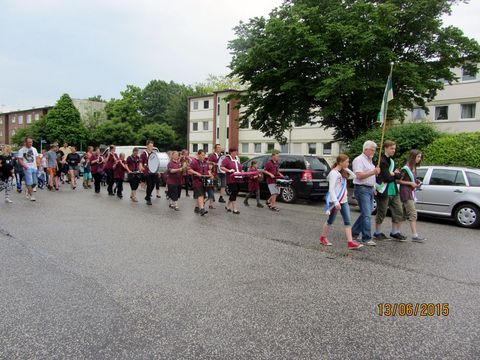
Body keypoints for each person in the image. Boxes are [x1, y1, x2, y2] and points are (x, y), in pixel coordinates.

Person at [319, 154, 363, 250]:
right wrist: (335, 202)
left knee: (348, 221)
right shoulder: (334, 173)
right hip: (335, 201)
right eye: (346, 162)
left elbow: (354, 176)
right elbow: (331, 189)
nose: (348, 163)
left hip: (344, 201)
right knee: (330, 221)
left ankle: (350, 242)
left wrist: (346, 169)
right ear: (340, 162)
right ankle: (323, 238)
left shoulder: (342, 172)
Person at [374, 140, 407, 241]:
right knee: (382, 212)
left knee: (399, 211)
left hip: (393, 190)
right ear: (386, 148)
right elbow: (387, 178)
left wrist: (394, 174)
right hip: (384, 190)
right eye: (391, 148)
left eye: (394, 148)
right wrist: (394, 174)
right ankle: (377, 232)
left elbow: (399, 175)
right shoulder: (382, 161)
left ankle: (395, 232)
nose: (394, 150)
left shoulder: (392, 161)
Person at [351, 141, 381, 246]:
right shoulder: (359, 160)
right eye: (372, 149)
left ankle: (353, 232)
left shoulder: (370, 161)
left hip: (368, 188)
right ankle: (366, 238)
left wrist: (373, 186)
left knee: (365, 213)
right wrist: (373, 172)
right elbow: (358, 175)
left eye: (375, 149)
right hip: (362, 188)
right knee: (367, 214)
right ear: (366, 149)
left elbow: (370, 177)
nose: (374, 152)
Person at [399, 149, 425, 242]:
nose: (420, 158)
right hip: (406, 193)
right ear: (413, 157)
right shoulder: (406, 168)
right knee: (413, 213)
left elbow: (412, 180)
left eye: (420, 156)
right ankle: (414, 236)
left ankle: (396, 232)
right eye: (418, 156)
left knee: (402, 214)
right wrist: (410, 183)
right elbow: (398, 180)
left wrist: (416, 182)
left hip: (411, 192)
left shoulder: (414, 168)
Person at [188, 149, 211, 216]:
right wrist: (196, 173)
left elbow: (207, 170)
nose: (203, 156)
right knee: (200, 195)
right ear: (198, 155)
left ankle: (197, 207)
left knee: (202, 196)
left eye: (204, 155)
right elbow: (189, 169)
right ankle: (202, 209)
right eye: (202, 155)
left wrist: (209, 174)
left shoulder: (205, 162)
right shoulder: (194, 162)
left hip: (204, 180)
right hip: (197, 181)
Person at [221, 147, 243, 214]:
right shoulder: (227, 159)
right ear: (231, 152)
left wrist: (242, 171)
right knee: (234, 191)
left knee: (235, 192)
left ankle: (227, 206)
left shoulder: (237, 159)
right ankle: (234, 209)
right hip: (231, 178)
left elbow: (239, 167)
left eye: (236, 152)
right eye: (234, 152)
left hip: (238, 178)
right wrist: (229, 170)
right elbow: (222, 167)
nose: (235, 153)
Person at [17, 137, 40, 201]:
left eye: (31, 142)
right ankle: (32, 195)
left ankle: (28, 189)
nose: (31, 143)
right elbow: (20, 159)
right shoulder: (21, 150)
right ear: (25, 142)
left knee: (35, 182)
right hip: (27, 168)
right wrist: (24, 166)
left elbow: (37, 157)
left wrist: (38, 163)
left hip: (34, 167)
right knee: (29, 182)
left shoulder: (34, 149)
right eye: (29, 142)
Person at [139, 140, 157, 205]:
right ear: (147, 146)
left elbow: (156, 163)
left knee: (153, 185)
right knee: (149, 185)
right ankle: (148, 198)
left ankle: (147, 196)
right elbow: (140, 162)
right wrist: (141, 167)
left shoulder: (153, 154)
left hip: (153, 171)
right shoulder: (143, 154)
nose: (151, 147)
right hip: (146, 171)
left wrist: (158, 171)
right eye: (150, 146)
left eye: (152, 146)